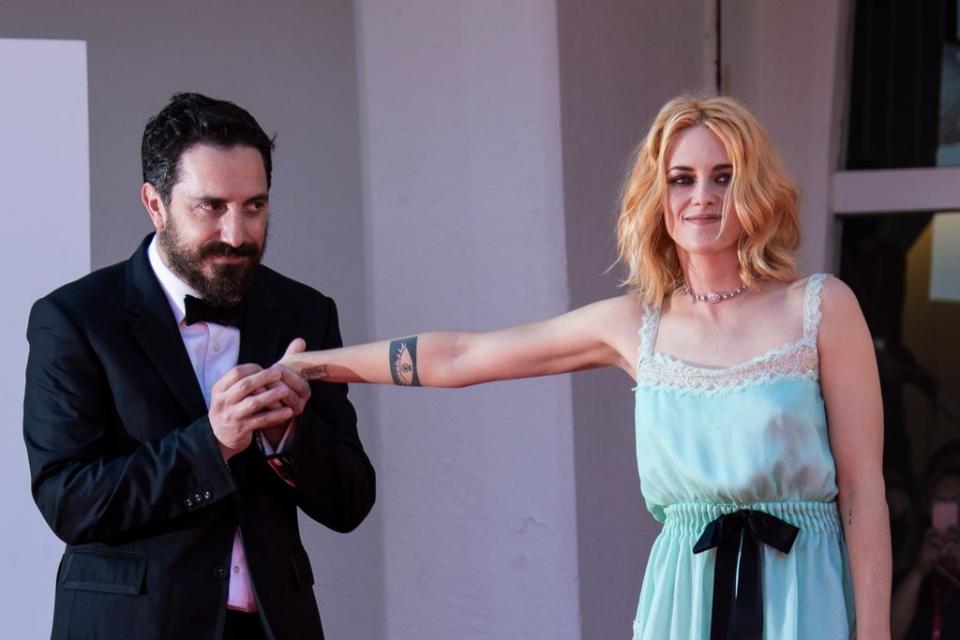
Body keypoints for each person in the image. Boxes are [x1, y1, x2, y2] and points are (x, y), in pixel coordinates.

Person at [280, 95, 891, 639]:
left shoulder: (819, 308)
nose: (702, 197)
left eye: (723, 177)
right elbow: (463, 355)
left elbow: (863, 493)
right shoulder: (635, 323)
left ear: (754, 189)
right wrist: (313, 368)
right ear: (659, 197)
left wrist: (875, 630)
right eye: (682, 179)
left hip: (804, 595)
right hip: (684, 602)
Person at [23, 93, 376, 640]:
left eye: (254, 207)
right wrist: (212, 444)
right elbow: (70, 500)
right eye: (211, 206)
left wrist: (288, 435)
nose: (237, 234)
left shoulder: (306, 313)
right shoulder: (73, 318)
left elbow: (351, 501)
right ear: (154, 203)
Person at [891, 447, 960, 639]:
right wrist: (918, 571)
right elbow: (889, 633)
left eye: (956, 501)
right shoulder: (908, 564)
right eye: (940, 501)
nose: (948, 508)